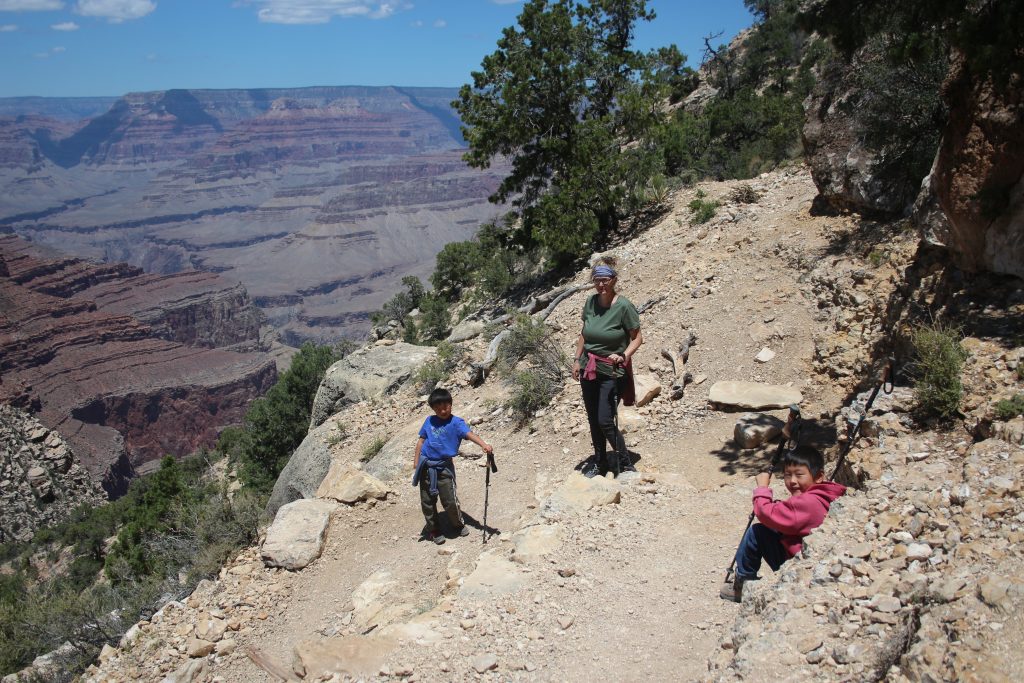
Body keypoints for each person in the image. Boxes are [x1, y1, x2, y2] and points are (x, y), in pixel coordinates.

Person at [720, 445, 846, 602]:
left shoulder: (808, 502)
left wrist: (762, 489)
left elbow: (765, 513)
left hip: (796, 564)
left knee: (757, 532)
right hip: (811, 557)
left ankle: (743, 584)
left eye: (799, 475)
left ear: (819, 476)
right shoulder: (824, 494)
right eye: (787, 475)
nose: (792, 481)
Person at [571, 256, 643, 478]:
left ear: (614, 280)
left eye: (605, 280)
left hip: (611, 369)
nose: (601, 285)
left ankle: (625, 461)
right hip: (588, 368)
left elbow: (637, 338)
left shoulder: (624, 306)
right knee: (593, 418)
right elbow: (584, 332)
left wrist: (623, 355)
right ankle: (600, 462)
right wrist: (576, 359)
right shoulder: (591, 302)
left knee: (604, 418)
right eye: (597, 280)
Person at [412, 387, 493, 545]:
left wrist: (483, 444)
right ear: (433, 408)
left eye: (446, 406)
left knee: (449, 500)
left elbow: (469, 434)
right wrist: (416, 462)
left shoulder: (456, 423)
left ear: (451, 404)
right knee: (427, 501)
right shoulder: (429, 421)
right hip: (426, 466)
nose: (442, 410)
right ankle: (434, 529)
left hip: (444, 467)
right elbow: (421, 441)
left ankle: (457, 523)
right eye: (438, 407)